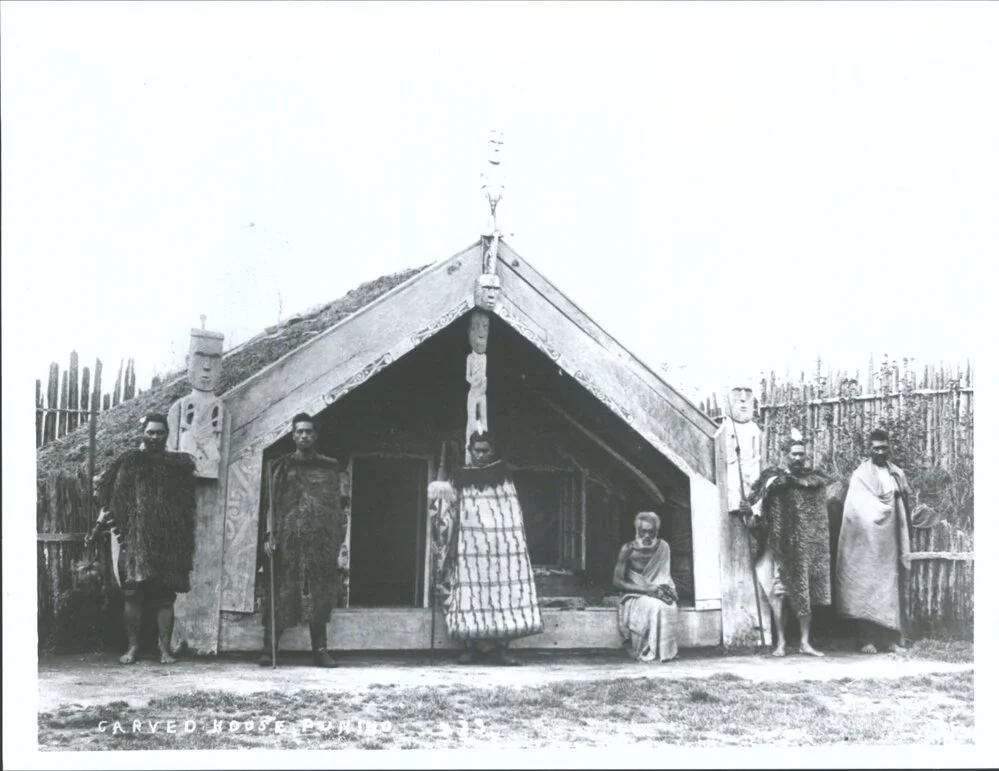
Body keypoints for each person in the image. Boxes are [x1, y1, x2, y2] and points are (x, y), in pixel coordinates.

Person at [87, 413, 197, 664]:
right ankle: (133, 648)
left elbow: (185, 506)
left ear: (167, 434)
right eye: (150, 432)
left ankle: (165, 650)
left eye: (159, 432)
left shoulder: (177, 466)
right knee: (132, 595)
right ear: (143, 434)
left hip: (168, 543)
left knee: (164, 598)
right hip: (134, 541)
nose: (155, 437)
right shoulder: (129, 462)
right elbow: (110, 498)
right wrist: (106, 527)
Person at [443, 431, 543, 665]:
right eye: (476, 450)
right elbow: (451, 510)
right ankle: (471, 647)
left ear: (492, 451)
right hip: (470, 547)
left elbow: (512, 512)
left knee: (500, 595)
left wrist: (509, 543)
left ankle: (501, 647)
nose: (480, 455)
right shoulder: (460, 477)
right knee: (471, 594)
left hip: (500, 548)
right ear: (470, 451)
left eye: (485, 450)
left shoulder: (503, 477)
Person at [836, 429, 938, 654]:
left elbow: (903, 505)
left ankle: (889, 640)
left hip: (889, 543)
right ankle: (866, 640)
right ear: (869, 449)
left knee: (889, 587)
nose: (880, 452)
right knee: (866, 586)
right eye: (876, 448)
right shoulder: (860, 476)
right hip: (865, 543)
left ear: (889, 448)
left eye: (884, 448)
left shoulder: (896, 474)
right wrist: (879, 516)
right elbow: (856, 510)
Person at [259, 413, 347, 668]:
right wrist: (269, 534)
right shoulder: (280, 466)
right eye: (300, 432)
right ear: (293, 435)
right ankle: (269, 647)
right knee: (281, 590)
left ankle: (320, 650)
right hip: (286, 538)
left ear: (315, 435)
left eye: (309, 431)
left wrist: (336, 540)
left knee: (319, 592)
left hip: (319, 540)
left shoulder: (328, 467)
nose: (304, 436)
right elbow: (270, 505)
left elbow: (336, 508)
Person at [745, 435, 832, 657]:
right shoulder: (774, 482)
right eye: (794, 454)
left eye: (801, 454)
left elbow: (818, 516)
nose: (798, 458)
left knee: (806, 594)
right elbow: (758, 508)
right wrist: (755, 519)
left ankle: (805, 642)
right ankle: (781, 642)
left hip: (806, 548)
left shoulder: (813, 483)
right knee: (780, 594)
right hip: (780, 546)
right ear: (786, 456)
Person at [612, 512, 680, 663]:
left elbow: (664, 577)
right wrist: (646, 590)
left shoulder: (663, 547)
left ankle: (664, 652)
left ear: (657, 531)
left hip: (657, 592)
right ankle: (646, 649)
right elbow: (617, 582)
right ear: (637, 530)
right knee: (655, 606)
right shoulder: (628, 549)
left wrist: (668, 590)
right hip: (635, 595)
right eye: (644, 531)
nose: (647, 535)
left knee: (669, 606)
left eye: (651, 531)